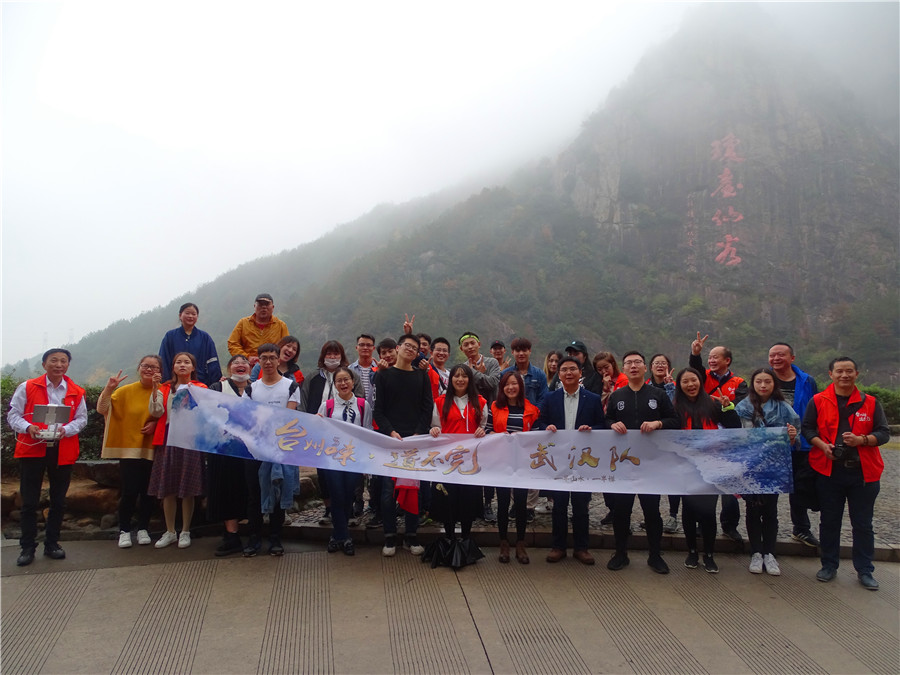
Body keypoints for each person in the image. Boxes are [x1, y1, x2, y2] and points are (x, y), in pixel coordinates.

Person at [802, 356, 890, 590]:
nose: (844, 375)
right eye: (839, 371)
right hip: (829, 470)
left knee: (863, 523)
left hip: (863, 473)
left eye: (849, 371)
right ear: (830, 374)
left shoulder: (870, 402)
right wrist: (823, 446)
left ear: (856, 374)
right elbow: (808, 428)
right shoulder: (818, 400)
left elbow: (883, 433)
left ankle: (865, 569)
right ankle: (829, 565)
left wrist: (862, 439)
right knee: (829, 521)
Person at [8, 349, 87, 566]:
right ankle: (27, 547)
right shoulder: (28, 387)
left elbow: (81, 419)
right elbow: (13, 414)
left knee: (59, 501)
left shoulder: (76, 391)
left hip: (62, 449)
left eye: (63, 361)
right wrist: (28, 427)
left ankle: (52, 543)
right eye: (54, 360)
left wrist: (66, 430)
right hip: (32, 447)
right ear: (44, 364)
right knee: (29, 501)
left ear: (68, 365)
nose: (59, 364)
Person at [605, 351, 680, 574]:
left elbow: (675, 420)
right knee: (621, 510)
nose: (633, 366)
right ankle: (620, 554)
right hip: (623, 462)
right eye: (629, 363)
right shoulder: (617, 396)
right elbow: (607, 418)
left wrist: (658, 423)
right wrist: (611, 424)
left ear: (645, 367)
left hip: (651, 463)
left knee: (652, 511)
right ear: (624, 369)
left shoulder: (657, 394)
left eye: (638, 362)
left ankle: (655, 555)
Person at [536, 356, 606, 565]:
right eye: (564, 369)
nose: (568, 373)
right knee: (559, 504)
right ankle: (558, 546)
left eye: (572, 369)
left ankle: (581, 548)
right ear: (559, 374)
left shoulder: (592, 399)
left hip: (581, 460)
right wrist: (546, 428)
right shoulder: (550, 398)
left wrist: (592, 429)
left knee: (581, 505)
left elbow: (603, 426)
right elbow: (541, 422)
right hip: (558, 459)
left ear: (580, 373)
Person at [672, 366, 741, 574]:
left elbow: (734, 428)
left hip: (711, 465)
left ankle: (709, 554)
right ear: (679, 385)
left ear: (700, 382)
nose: (690, 385)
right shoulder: (675, 407)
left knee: (708, 511)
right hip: (685, 466)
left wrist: (728, 408)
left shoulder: (713, 403)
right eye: (685, 382)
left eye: (693, 380)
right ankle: (692, 551)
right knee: (688, 511)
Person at [373, 333, 434, 557]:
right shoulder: (384, 375)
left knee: (413, 490)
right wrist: (390, 432)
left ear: (418, 353)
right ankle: (389, 536)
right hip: (390, 441)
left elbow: (427, 408)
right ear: (397, 348)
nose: (410, 350)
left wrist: (417, 434)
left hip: (413, 442)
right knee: (388, 491)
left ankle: (411, 535)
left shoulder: (422, 376)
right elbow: (378, 410)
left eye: (415, 348)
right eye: (407, 346)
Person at [735, 368, 800, 575]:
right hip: (751, 465)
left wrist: (791, 436)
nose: (763, 386)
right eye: (759, 382)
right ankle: (755, 552)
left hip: (774, 465)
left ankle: (769, 553)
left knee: (771, 510)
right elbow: (738, 437)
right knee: (752, 508)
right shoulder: (743, 407)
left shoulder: (784, 408)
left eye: (767, 382)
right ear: (753, 384)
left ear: (774, 384)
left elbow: (794, 437)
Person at [425, 364, 487, 568]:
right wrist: (434, 430)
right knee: (448, 498)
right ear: (450, 379)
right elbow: (436, 425)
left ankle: (466, 538)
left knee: (468, 498)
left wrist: (481, 431)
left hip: (471, 461)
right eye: (456, 376)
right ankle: (450, 538)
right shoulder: (441, 401)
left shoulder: (480, 402)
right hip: (448, 461)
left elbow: (484, 426)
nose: (460, 380)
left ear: (470, 379)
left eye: (464, 376)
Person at [689, 333, 748, 546]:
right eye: (710, 357)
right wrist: (696, 353)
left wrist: (726, 406)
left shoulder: (739, 383)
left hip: (729, 439)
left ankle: (729, 525)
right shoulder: (704, 377)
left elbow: (742, 408)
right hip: (706, 436)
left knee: (729, 482)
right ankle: (700, 523)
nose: (712, 360)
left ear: (727, 360)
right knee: (704, 482)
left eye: (716, 357)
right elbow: (693, 371)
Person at [243, 343, 302, 557]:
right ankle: (254, 538)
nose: (268, 362)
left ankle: (276, 539)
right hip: (255, 451)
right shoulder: (251, 389)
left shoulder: (291, 387)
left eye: (272, 357)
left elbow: (289, 419)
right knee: (254, 495)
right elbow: (247, 418)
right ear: (258, 361)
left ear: (279, 360)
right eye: (264, 358)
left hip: (281, 450)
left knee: (278, 493)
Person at [97, 355, 162, 549]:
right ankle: (124, 530)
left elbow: (165, 415)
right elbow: (102, 408)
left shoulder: (162, 390)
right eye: (145, 366)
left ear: (160, 371)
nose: (149, 370)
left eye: (154, 367)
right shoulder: (125, 391)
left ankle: (143, 528)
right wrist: (109, 388)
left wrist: (155, 424)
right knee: (129, 492)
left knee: (148, 493)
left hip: (152, 449)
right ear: (139, 368)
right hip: (129, 450)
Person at [148, 352, 208, 549]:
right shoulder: (164, 388)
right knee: (168, 488)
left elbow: (205, 414)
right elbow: (156, 412)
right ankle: (170, 531)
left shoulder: (201, 388)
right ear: (172, 367)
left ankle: (185, 531)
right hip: (167, 440)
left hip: (190, 442)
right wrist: (155, 388)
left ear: (193, 368)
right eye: (178, 362)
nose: (182, 365)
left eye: (187, 362)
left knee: (188, 488)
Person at [300, 341, 362, 526]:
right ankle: (329, 509)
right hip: (319, 435)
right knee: (324, 474)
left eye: (336, 354)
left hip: (347, 434)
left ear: (342, 356)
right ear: (323, 356)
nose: (333, 357)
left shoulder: (352, 376)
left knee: (350, 473)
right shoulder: (312, 377)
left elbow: (360, 399)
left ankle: (349, 510)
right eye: (329, 353)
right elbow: (303, 402)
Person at [768, 342, 820, 548]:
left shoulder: (807, 381)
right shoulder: (765, 379)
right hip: (772, 444)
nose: (776, 359)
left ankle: (801, 528)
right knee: (768, 489)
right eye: (772, 356)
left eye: (781, 355)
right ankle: (767, 530)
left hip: (801, 443)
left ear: (792, 358)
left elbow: (816, 408)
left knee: (800, 487)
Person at [317, 366, 371, 556]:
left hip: (354, 457)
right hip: (333, 458)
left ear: (353, 381)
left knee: (348, 495)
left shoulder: (363, 405)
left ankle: (339, 535)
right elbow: (319, 430)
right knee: (336, 495)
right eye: (339, 380)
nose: (343, 383)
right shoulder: (327, 405)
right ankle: (341, 536)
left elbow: (367, 430)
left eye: (346, 379)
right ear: (335, 384)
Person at [487, 371, 540, 564]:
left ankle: (520, 543)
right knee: (501, 503)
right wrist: (501, 435)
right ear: (502, 388)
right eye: (507, 384)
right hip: (501, 461)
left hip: (522, 462)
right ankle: (503, 542)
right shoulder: (494, 406)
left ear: (520, 386)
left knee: (520, 503)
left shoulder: (531, 409)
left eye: (514, 384)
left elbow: (536, 434)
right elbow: (487, 429)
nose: (511, 387)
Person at [206, 355, 254, 557]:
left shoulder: (256, 389)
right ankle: (231, 535)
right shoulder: (217, 387)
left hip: (250, 451)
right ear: (228, 368)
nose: (240, 365)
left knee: (249, 490)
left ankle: (253, 533)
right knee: (225, 491)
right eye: (236, 362)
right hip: (223, 450)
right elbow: (206, 411)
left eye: (244, 362)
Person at [458, 331, 501, 520]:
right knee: (471, 461)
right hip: (471, 419)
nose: (469, 347)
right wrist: (475, 374)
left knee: (488, 463)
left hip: (491, 417)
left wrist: (473, 373)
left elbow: (493, 383)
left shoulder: (491, 362)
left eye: (472, 343)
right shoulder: (461, 368)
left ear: (479, 344)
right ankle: (472, 503)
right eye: (465, 345)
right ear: (461, 349)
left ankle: (488, 503)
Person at [646, 353, 679, 533]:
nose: (660, 366)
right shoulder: (645, 387)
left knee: (672, 480)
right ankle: (653, 516)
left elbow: (676, 411)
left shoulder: (674, 387)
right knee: (653, 479)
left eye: (663, 363)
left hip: (670, 438)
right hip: (651, 440)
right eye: (656, 363)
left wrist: (669, 386)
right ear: (649, 367)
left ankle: (673, 516)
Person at [158, 302, 222, 385]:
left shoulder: (205, 337)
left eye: (194, 314)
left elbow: (212, 361)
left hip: (200, 383)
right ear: (180, 315)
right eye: (187, 313)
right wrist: (166, 382)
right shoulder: (170, 336)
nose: (190, 316)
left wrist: (215, 383)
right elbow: (164, 360)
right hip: (175, 383)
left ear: (197, 317)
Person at [227, 293, 289, 364]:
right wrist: (247, 357)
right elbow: (232, 344)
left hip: (272, 367)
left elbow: (285, 348)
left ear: (273, 307)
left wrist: (273, 359)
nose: (264, 307)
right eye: (260, 304)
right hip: (248, 367)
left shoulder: (281, 325)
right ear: (254, 306)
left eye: (267, 304)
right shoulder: (243, 323)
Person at [500, 337, 548, 409]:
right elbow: (501, 397)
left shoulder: (539, 374)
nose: (521, 353)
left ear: (530, 351)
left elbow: (543, 398)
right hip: (511, 416)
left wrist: (533, 413)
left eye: (524, 350)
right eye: (518, 351)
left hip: (534, 417)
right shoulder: (504, 374)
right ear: (512, 352)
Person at [349, 333, 378, 407]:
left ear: (373, 348)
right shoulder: (349, 370)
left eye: (368, 345)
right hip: (355, 411)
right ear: (357, 348)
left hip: (376, 412)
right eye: (362, 345)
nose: (365, 347)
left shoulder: (379, 369)